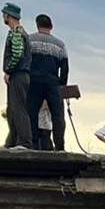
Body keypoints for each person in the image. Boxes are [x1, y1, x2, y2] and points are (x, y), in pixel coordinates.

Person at [27, 14, 68, 151]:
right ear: (51, 26)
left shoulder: (29, 40)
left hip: (34, 81)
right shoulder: (60, 44)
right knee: (57, 116)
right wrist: (61, 84)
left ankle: (33, 143)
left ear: (37, 25)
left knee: (31, 113)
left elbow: (25, 61)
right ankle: (60, 146)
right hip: (52, 82)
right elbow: (65, 67)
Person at [0, 3, 32, 150]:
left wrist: (9, 70)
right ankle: (12, 141)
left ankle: (24, 142)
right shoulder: (19, 32)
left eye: (4, 14)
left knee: (18, 108)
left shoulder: (16, 32)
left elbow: (17, 54)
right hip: (20, 74)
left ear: (8, 15)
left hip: (19, 74)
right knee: (12, 109)